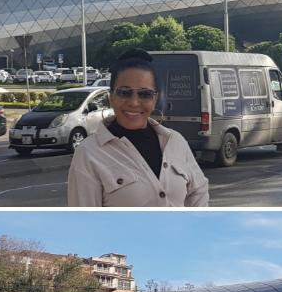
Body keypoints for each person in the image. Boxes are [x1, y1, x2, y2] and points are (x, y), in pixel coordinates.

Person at [68, 49, 209, 206]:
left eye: (145, 94)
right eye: (124, 92)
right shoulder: (89, 153)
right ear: (111, 97)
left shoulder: (175, 142)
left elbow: (199, 192)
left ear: (155, 99)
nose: (134, 102)